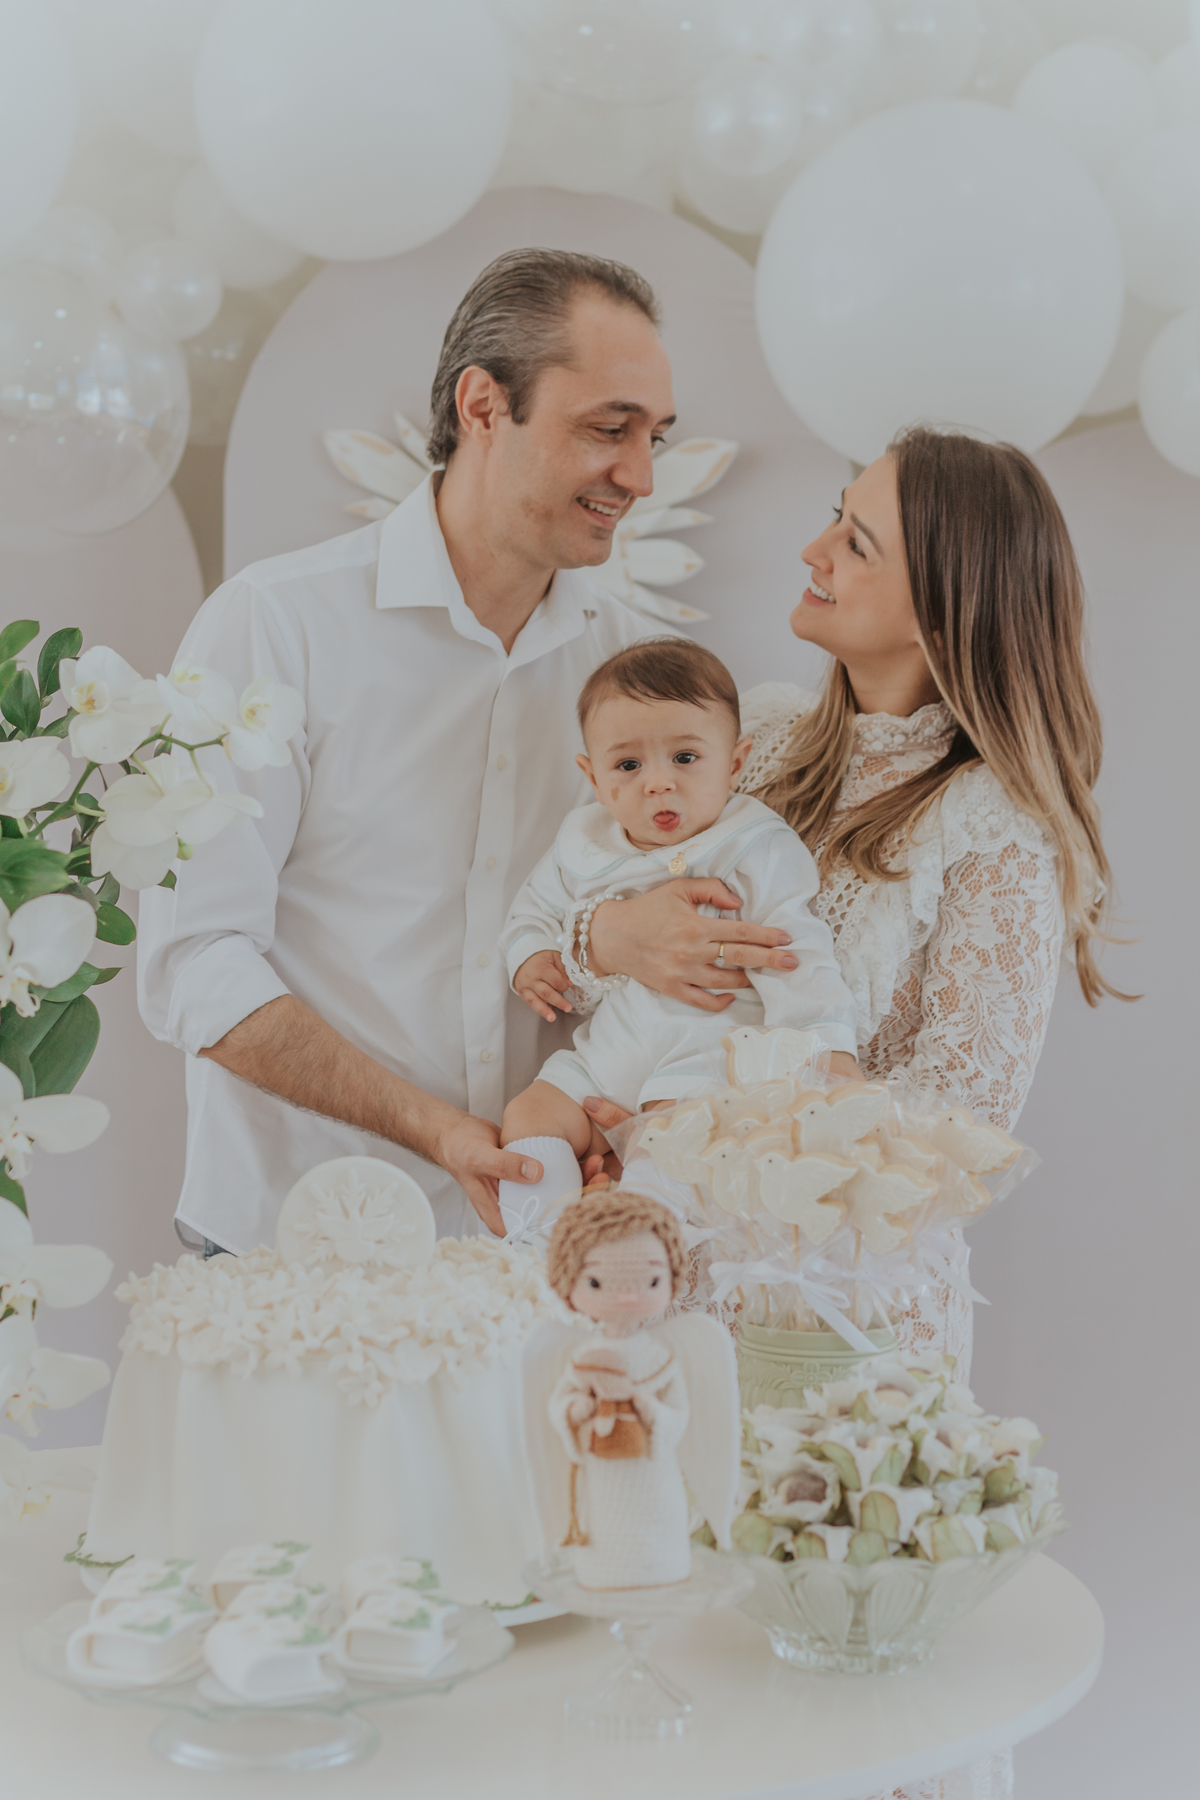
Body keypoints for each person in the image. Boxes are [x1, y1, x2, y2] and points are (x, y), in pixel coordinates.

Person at [137, 247, 768, 1253]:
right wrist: (436, 1132)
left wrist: (618, 1106)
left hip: (533, 1250)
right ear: (483, 406)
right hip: (294, 1242)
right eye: (608, 429)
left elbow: (629, 968)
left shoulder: (629, 672)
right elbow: (193, 965)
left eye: (653, 436)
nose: (640, 476)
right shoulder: (273, 626)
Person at [576, 427, 1122, 1380]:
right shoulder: (756, 741)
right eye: (837, 516)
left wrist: (689, 1139)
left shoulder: (993, 825)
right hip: (656, 1286)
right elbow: (603, 925)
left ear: (942, 615)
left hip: (838, 1324)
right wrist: (606, 948)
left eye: (857, 544)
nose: (813, 550)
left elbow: (955, 1133)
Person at [497, 639, 859, 1195]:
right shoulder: (584, 843)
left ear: (734, 763)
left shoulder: (753, 846)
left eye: (685, 758)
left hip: (705, 1056)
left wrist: (826, 1049)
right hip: (606, 1055)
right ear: (593, 778)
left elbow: (795, 951)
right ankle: (543, 1232)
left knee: (670, 1149)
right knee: (528, 1116)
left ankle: (631, 1226)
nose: (658, 782)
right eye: (628, 765)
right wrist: (531, 955)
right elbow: (535, 907)